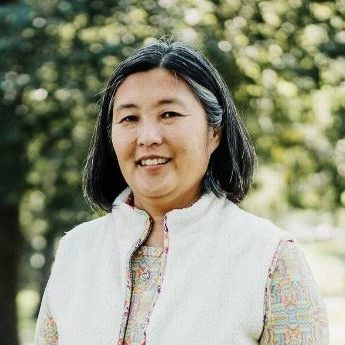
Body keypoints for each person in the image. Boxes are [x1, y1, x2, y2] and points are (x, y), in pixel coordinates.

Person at [35, 39, 329, 345]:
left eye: (169, 114)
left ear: (215, 132)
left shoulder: (269, 257)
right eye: (129, 118)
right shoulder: (76, 251)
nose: (148, 137)